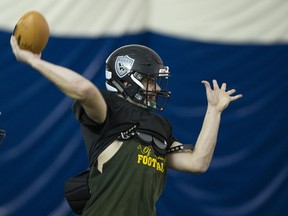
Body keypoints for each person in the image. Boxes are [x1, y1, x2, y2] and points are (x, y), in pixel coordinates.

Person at [10, 36, 242, 216]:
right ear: (126, 79)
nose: (158, 88)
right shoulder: (110, 108)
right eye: (150, 80)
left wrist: (214, 112)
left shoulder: (159, 125)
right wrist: (33, 61)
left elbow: (198, 162)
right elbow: (83, 90)